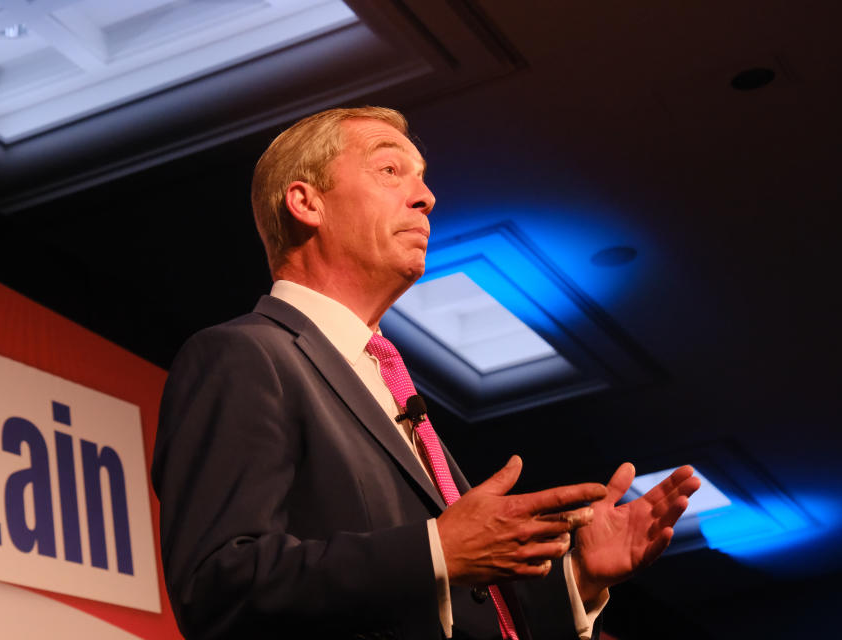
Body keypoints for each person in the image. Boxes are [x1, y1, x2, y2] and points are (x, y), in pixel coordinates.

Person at [151, 107, 700, 640]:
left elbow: (462, 605)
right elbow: (217, 586)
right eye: (390, 170)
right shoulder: (244, 356)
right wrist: (436, 548)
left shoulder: (387, 379)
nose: (426, 196)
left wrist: (578, 580)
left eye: (422, 179)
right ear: (306, 202)